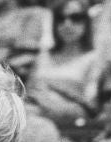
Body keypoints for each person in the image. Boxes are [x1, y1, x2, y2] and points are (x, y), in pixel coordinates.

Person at [33, 0, 100, 129]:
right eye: (61, 18)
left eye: (75, 18)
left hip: (70, 125)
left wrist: (51, 105)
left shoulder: (92, 59)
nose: (67, 24)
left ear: (86, 22)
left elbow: (90, 107)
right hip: (35, 116)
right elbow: (30, 93)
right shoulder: (43, 56)